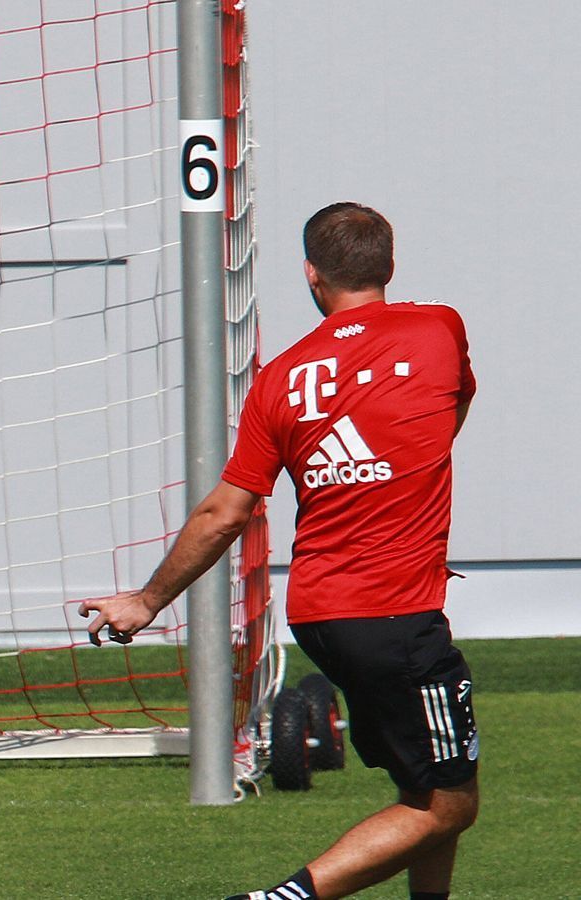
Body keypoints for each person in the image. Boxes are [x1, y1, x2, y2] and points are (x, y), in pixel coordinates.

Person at [79, 203, 478, 900]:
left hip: (321, 614)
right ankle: (283, 899)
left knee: (419, 788)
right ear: (391, 264)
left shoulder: (279, 378)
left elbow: (223, 514)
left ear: (311, 274)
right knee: (451, 803)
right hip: (397, 616)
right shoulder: (438, 329)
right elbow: (448, 417)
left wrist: (146, 602)